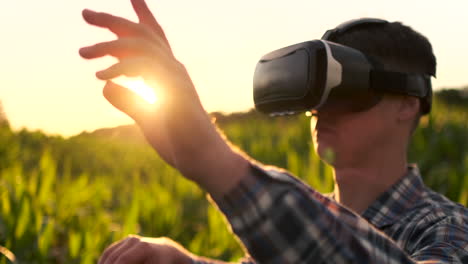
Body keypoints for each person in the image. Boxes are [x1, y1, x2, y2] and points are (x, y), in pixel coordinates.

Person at [79, 0, 468, 263]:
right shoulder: (309, 222)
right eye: (319, 94)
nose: (323, 110)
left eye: (347, 92)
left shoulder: (447, 230)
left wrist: (215, 161)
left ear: (407, 103)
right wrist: (181, 260)